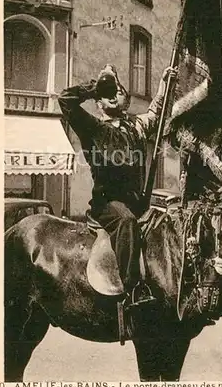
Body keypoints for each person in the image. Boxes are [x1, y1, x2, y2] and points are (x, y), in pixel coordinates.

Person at [58, 64, 177, 305]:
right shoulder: (92, 128)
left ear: (126, 101)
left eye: (118, 91)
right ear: (98, 103)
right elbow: (65, 100)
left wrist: (165, 82)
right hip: (108, 204)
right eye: (108, 93)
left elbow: (158, 111)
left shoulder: (137, 126)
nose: (114, 95)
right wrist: (97, 87)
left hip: (138, 202)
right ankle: (134, 291)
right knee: (127, 221)